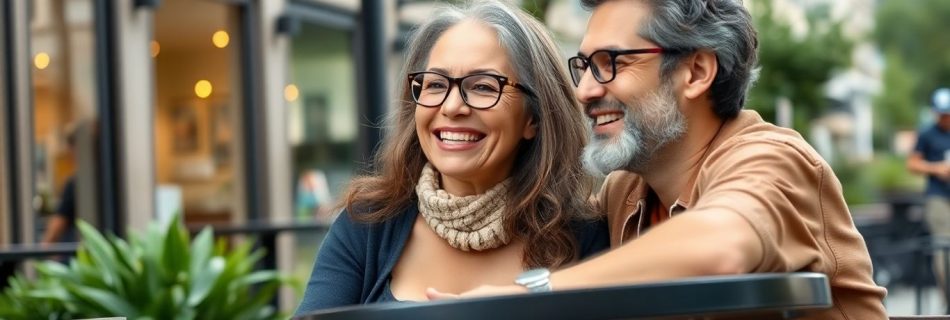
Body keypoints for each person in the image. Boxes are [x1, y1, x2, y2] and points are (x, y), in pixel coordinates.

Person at [429, 0, 887, 318]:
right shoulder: (624, 192)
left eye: (612, 62)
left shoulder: (772, 158)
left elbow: (720, 246)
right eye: (584, 66)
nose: (585, 90)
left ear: (697, 71)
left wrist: (528, 294)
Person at [294, 0, 608, 314]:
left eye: (484, 86)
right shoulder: (368, 224)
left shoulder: (584, 235)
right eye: (435, 84)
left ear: (534, 119)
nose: (452, 106)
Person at [907, 87, 950, 311]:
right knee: (944, 248)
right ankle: (948, 300)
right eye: (942, 114)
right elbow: (912, 164)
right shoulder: (927, 134)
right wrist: (936, 169)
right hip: (939, 197)